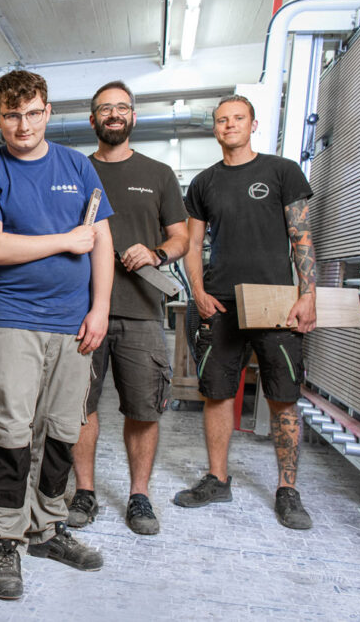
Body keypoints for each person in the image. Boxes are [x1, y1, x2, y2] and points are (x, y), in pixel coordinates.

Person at [0, 70, 114, 600]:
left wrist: (100, 309)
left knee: (61, 432)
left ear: (48, 111)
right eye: (11, 115)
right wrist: (63, 240)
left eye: (32, 113)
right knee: (9, 432)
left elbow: (100, 243)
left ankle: (48, 526)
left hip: (74, 325)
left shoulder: (78, 166)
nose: (23, 124)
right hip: (13, 322)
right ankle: (4, 538)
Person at [176, 94, 316, 530]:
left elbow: (302, 237)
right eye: (222, 120)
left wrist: (308, 294)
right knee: (217, 393)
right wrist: (197, 290)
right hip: (220, 302)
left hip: (275, 304)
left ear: (253, 125)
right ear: (214, 128)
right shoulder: (203, 183)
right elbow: (192, 246)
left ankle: (287, 490)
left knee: (283, 397)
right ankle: (217, 479)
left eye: (238, 118)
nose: (229, 125)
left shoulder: (282, 171)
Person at [67, 81, 189, 535]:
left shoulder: (158, 174)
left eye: (122, 108)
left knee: (144, 408)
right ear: (92, 119)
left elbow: (181, 237)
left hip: (141, 311)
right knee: (82, 406)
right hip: (82, 311)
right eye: (105, 109)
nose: (114, 114)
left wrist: (157, 253)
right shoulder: (76, 170)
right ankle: (84, 490)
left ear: (133, 117)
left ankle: (140, 496)